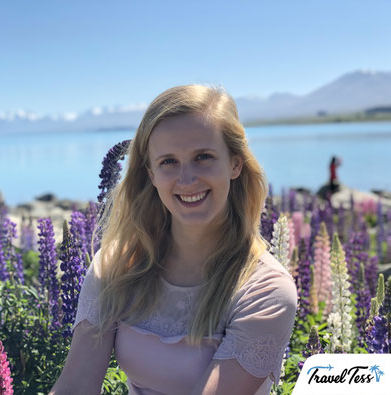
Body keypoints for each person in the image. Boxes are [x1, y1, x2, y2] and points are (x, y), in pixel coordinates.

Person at [49, 85, 298, 395]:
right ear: (151, 173)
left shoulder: (266, 290)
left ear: (235, 163)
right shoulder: (117, 265)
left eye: (203, 157)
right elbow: (74, 387)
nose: (187, 180)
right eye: (168, 162)